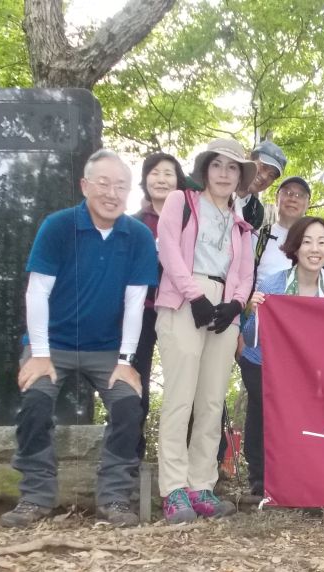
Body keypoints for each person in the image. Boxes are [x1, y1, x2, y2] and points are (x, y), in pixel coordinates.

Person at [1, 149, 156, 529]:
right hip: (52, 344)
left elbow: (136, 303)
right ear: (85, 186)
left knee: (127, 405)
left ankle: (115, 496)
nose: (112, 193)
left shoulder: (137, 236)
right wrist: (38, 354)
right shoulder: (58, 226)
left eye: (121, 186)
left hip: (106, 348)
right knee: (36, 400)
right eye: (103, 183)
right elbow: (36, 292)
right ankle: (36, 495)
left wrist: (125, 361)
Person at [155, 138, 256, 523]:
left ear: (240, 176)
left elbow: (245, 272)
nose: (225, 174)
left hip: (225, 307)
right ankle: (174, 488)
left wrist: (234, 303)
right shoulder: (183, 202)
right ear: (205, 170)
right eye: (218, 165)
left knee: (212, 400)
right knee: (180, 396)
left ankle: (202, 485)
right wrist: (195, 296)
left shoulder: (241, 222)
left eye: (233, 168)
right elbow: (168, 249)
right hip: (184, 298)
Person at [239, 216, 324, 498]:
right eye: (307, 241)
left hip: (307, 367)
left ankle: (300, 474)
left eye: (322, 242)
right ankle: (260, 477)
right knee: (262, 413)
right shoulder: (273, 284)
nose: (315, 249)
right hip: (262, 362)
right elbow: (250, 338)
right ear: (295, 247)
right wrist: (253, 311)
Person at [132, 152, 187, 461]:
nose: (161, 179)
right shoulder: (133, 223)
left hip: (180, 308)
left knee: (185, 384)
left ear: (179, 181)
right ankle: (130, 459)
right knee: (133, 385)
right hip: (138, 311)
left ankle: (190, 464)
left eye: (169, 173)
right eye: (154, 172)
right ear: (144, 180)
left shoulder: (190, 220)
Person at [254, 176, 311, 278]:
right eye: (287, 193)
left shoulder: (315, 240)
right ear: (276, 199)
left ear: (308, 204)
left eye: (300, 195)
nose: (293, 199)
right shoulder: (258, 236)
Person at [236, 139, 287, 229]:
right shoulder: (217, 186)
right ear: (249, 159)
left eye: (271, 175)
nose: (264, 176)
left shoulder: (256, 212)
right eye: (263, 166)